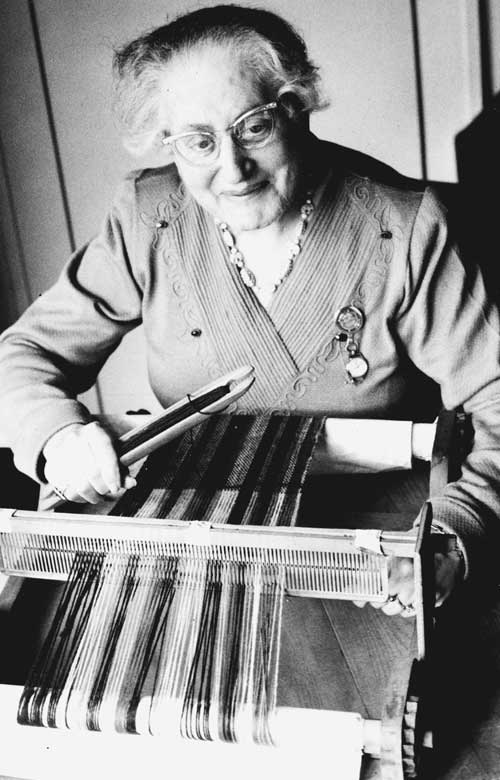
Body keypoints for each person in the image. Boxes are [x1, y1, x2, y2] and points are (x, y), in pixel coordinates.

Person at [0, 4, 499, 617]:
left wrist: (451, 536)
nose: (230, 169)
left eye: (253, 127)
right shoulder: (146, 218)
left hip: (378, 553)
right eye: (198, 142)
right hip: (201, 545)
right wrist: (58, 435)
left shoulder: (404, 228)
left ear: (296, 108)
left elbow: (496, 396)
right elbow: (24, 355)